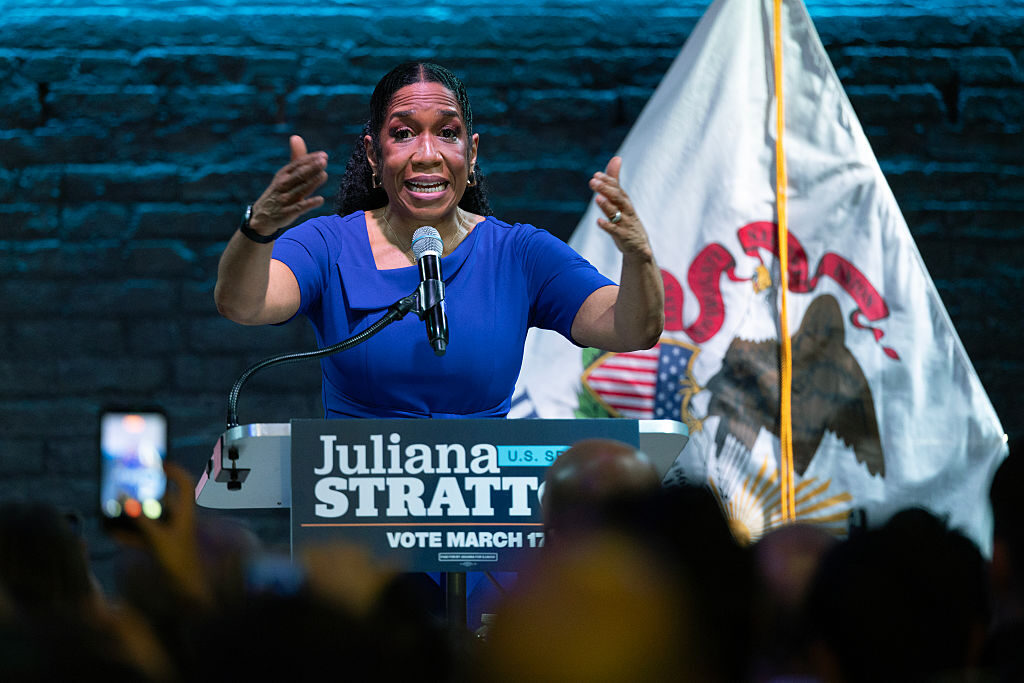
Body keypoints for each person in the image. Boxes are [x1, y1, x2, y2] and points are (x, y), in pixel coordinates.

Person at [214, 61, 664, 418]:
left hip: (484, 513)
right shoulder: (329, 245)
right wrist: (258, 230)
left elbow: (631, 329)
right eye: (404, 134)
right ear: (374, 155)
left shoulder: (519, 255)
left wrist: (640, 259)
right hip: (353, 509)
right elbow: (244, 304)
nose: (427, 154)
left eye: (447, 133)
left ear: (470, 155)